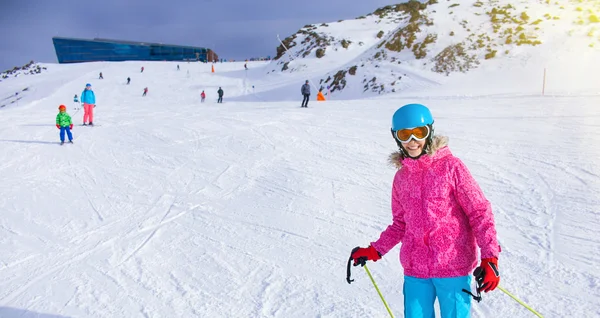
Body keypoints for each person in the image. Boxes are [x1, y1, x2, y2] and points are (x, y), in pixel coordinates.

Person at [350, 103, 501, 318]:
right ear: (396, 137)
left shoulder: (451, 167)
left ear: (430, 132)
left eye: (418, 133)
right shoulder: (401, 178)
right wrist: (376, 250)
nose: (412, 142)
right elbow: (400, 224)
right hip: (416, 270)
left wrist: (490, 258)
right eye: (405, 135)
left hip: (453, 266)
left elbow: (479, 211)